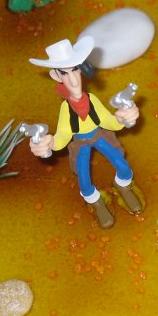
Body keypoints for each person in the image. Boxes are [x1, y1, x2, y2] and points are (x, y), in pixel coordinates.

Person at [28, 36, 144, 228]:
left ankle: (123, 185)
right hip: (80, 142)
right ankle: (96, 202)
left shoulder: (92, 100)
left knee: (121, 162)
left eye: (75, 70)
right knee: (83, 177)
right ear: (57, 76)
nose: (73, 79)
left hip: (99, 136)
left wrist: (123, 118)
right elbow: (63, 136)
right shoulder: (66, 109)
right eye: (65, 73)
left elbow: (109, 122)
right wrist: (49, 143)